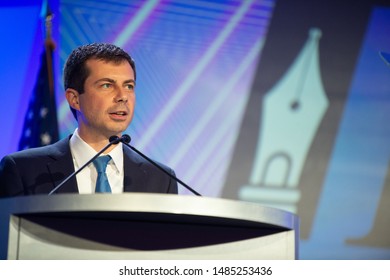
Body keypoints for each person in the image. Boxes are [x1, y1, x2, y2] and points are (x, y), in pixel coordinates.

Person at [0, 43, 178, 197]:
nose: (123, 96)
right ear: (75, 99)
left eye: (129, 86)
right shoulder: (24, 171)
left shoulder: (162, 179)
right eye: (107, 85)